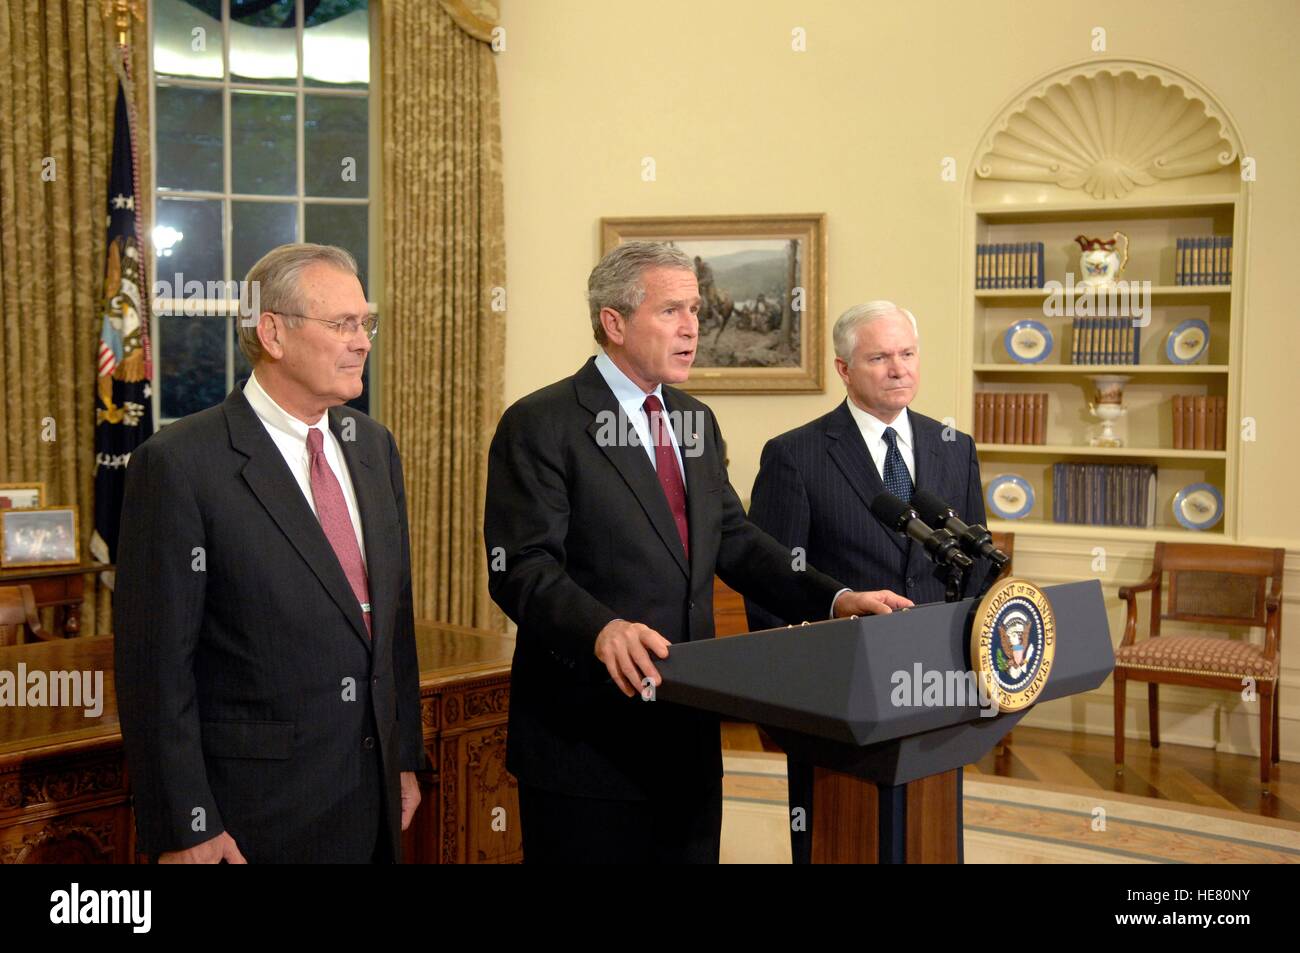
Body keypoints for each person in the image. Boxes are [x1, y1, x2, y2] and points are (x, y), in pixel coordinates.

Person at [484, 242, 911, 863]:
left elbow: (734, 540)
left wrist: (835, 597)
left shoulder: (695, 421)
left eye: (696, 309)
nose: (694, 328)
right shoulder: (541, 422)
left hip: (685, 728)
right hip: (586, 734)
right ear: (614, 321)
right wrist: (600, 628)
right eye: (672, 312)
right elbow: (521, 567)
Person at [114, 243, 424, 863]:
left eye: (366, 322)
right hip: (251, 816)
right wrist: (185, 824)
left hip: (372, 801)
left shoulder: (373, 446)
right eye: (342, 324)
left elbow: (393, 626)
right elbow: (155, 668)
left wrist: (405, 758)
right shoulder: (180, 463)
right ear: (273, 332)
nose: (362, 341)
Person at [745, 299, 989, 862]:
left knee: (927, 832)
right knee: (842, 834)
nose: (899, 368)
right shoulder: (795, 455)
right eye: (880, 357)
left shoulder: (955, 446)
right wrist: (789, 690)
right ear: (844, 368)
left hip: (938, 674)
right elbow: (773, 578)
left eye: (907, 353)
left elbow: (975, 565)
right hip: (840, 681)